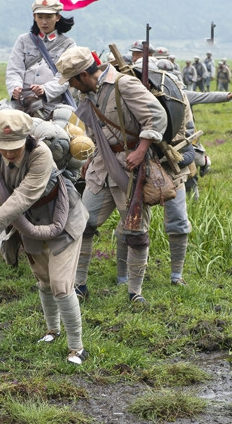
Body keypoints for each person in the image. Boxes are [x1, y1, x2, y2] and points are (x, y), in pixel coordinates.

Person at [0, 109, 89, 364]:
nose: (9, 153)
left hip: (62, 218)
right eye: (3, 147)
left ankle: (77, 348)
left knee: (62, 286)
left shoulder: (41, 154)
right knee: (44, 280)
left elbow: (23, 196)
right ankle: (53, 331)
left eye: (15, 147)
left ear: (28, 139)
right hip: (26, 222)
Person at [57, 45, 168, 305]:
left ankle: (134, 292)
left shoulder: (124, 85)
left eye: (72, 79)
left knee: (135, 231)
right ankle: (78, 287)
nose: (71, 85)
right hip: (100, 170)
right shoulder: (86, 94)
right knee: (82, 224)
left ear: (84, 75)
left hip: (129, 169)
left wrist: (141, 150)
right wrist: (91, 158)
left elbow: (156, 117)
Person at [5, 0, 76, 112]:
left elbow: (65, 76)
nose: (44, 22)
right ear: (34, 17)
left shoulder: (68, 44)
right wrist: (15, 88)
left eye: (48, 17)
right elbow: (14, 70)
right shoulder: (23, 40)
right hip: (23, 102)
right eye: (40, 17)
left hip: (53, 104)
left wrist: (45, 90)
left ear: (57, 17)